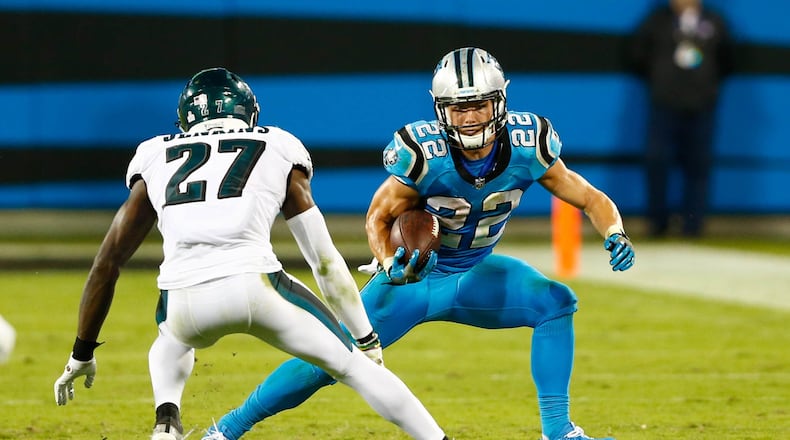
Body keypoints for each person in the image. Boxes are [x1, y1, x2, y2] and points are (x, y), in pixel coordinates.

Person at [201, 48, 635, 440]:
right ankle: (227, 430)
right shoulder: (423, 151)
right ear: (440, 109)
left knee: (556, 302)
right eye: (457, 108)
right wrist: (389, 260)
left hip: (475, 272)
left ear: (500, 103)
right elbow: (378, 215)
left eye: (478, 105)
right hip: (412, 279)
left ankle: (558, 433)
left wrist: (613, 231)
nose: (468, 118)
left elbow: (588, 196)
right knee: (328, 359)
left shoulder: (530, 143)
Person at [52, 67, 450, 440]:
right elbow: (323, 260)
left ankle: (166, 419)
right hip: (257, 288)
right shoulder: (275, 143)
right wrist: (366, 337)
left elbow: (107, 263)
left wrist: (81, 351)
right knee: (355, 368)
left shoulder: (154, 153)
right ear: (249, 112)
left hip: (185, 302)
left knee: (169, 340)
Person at [628, 0, 734, 237]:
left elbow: (727, 59)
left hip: (701, 106)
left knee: (698, 165)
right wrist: (661, 80)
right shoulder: (656, 21)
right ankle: (657, 224)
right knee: (658, 162)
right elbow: (637, 56)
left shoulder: (714, 21)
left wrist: (707, 87)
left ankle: (693, 225)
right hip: (665, 105)